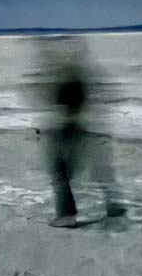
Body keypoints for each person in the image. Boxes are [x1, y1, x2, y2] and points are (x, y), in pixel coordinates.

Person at [34, 36, 125, 227]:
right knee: (99, 169)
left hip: (66, 128)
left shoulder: (67, 74)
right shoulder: (83, 73)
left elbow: (57, 100)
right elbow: (103, 95)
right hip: (85, 127)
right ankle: (114, 206)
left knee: (60, 172)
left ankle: (67, 215)